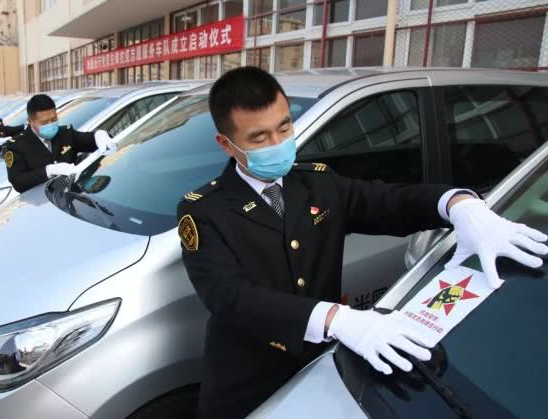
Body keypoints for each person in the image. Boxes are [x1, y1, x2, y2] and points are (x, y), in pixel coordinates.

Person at [176, 67, 548, 419]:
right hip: (248, 384)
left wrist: (458, 205)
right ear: (226, 144)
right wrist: (336, 319)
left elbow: (390, 203)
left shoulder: (318, 183)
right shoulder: (205, 210)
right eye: (259, 138)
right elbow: (229, 296)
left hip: (323, 372)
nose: (278, 143)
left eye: (284, 127)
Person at [4, 94, 116, 193]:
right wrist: (48, 170)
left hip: (71, 197)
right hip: (41, 202)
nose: (50, 124)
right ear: (30, 121)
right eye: (44, 122)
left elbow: (94, 141)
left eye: (54, 119)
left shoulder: (66, 133)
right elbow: (18, 182)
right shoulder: (17, 145)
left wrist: (100, 135)